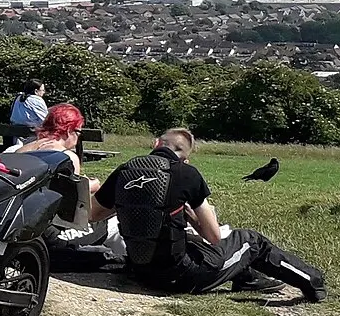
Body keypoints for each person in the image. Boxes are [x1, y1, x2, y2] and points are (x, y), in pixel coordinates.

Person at [89, 128, 326, 301]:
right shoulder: (187, 173)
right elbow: (213, 237)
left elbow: (94, 214)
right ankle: (313, 282)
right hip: (181, 277)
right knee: (251, 242)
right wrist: (192, 217)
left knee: (192, 242)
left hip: (140, 272)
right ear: (186, 157)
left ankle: (248, 279)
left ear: (156, 143)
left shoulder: (126, 169)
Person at [5, 103, 85, 174]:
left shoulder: (21, 150)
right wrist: (90, 186)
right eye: (78, 132)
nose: (78, 137)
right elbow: (73, 190)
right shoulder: (69, 158)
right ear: (69, 130)